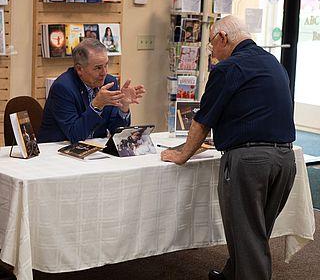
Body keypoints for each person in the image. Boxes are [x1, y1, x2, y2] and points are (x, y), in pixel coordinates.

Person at [161, 15, 296, 280]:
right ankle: (231, 274)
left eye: (212, 45)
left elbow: (203, 120)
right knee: (255, 233)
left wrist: (181, 155)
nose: (212, 53)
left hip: (250, 162)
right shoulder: (273, 63)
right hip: (285, 159)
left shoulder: (228, 68)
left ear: (223, 37)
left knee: (247, 235)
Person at [38, 38, 146, 143]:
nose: (104, 73)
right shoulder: (63, 88)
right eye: (98, 68)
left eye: (106, 65)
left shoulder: (109, 82)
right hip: (56, 151)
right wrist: (97, 105)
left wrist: (123, 107)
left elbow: (116, 131)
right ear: (80, 69)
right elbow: (75, 135)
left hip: (93, 150)